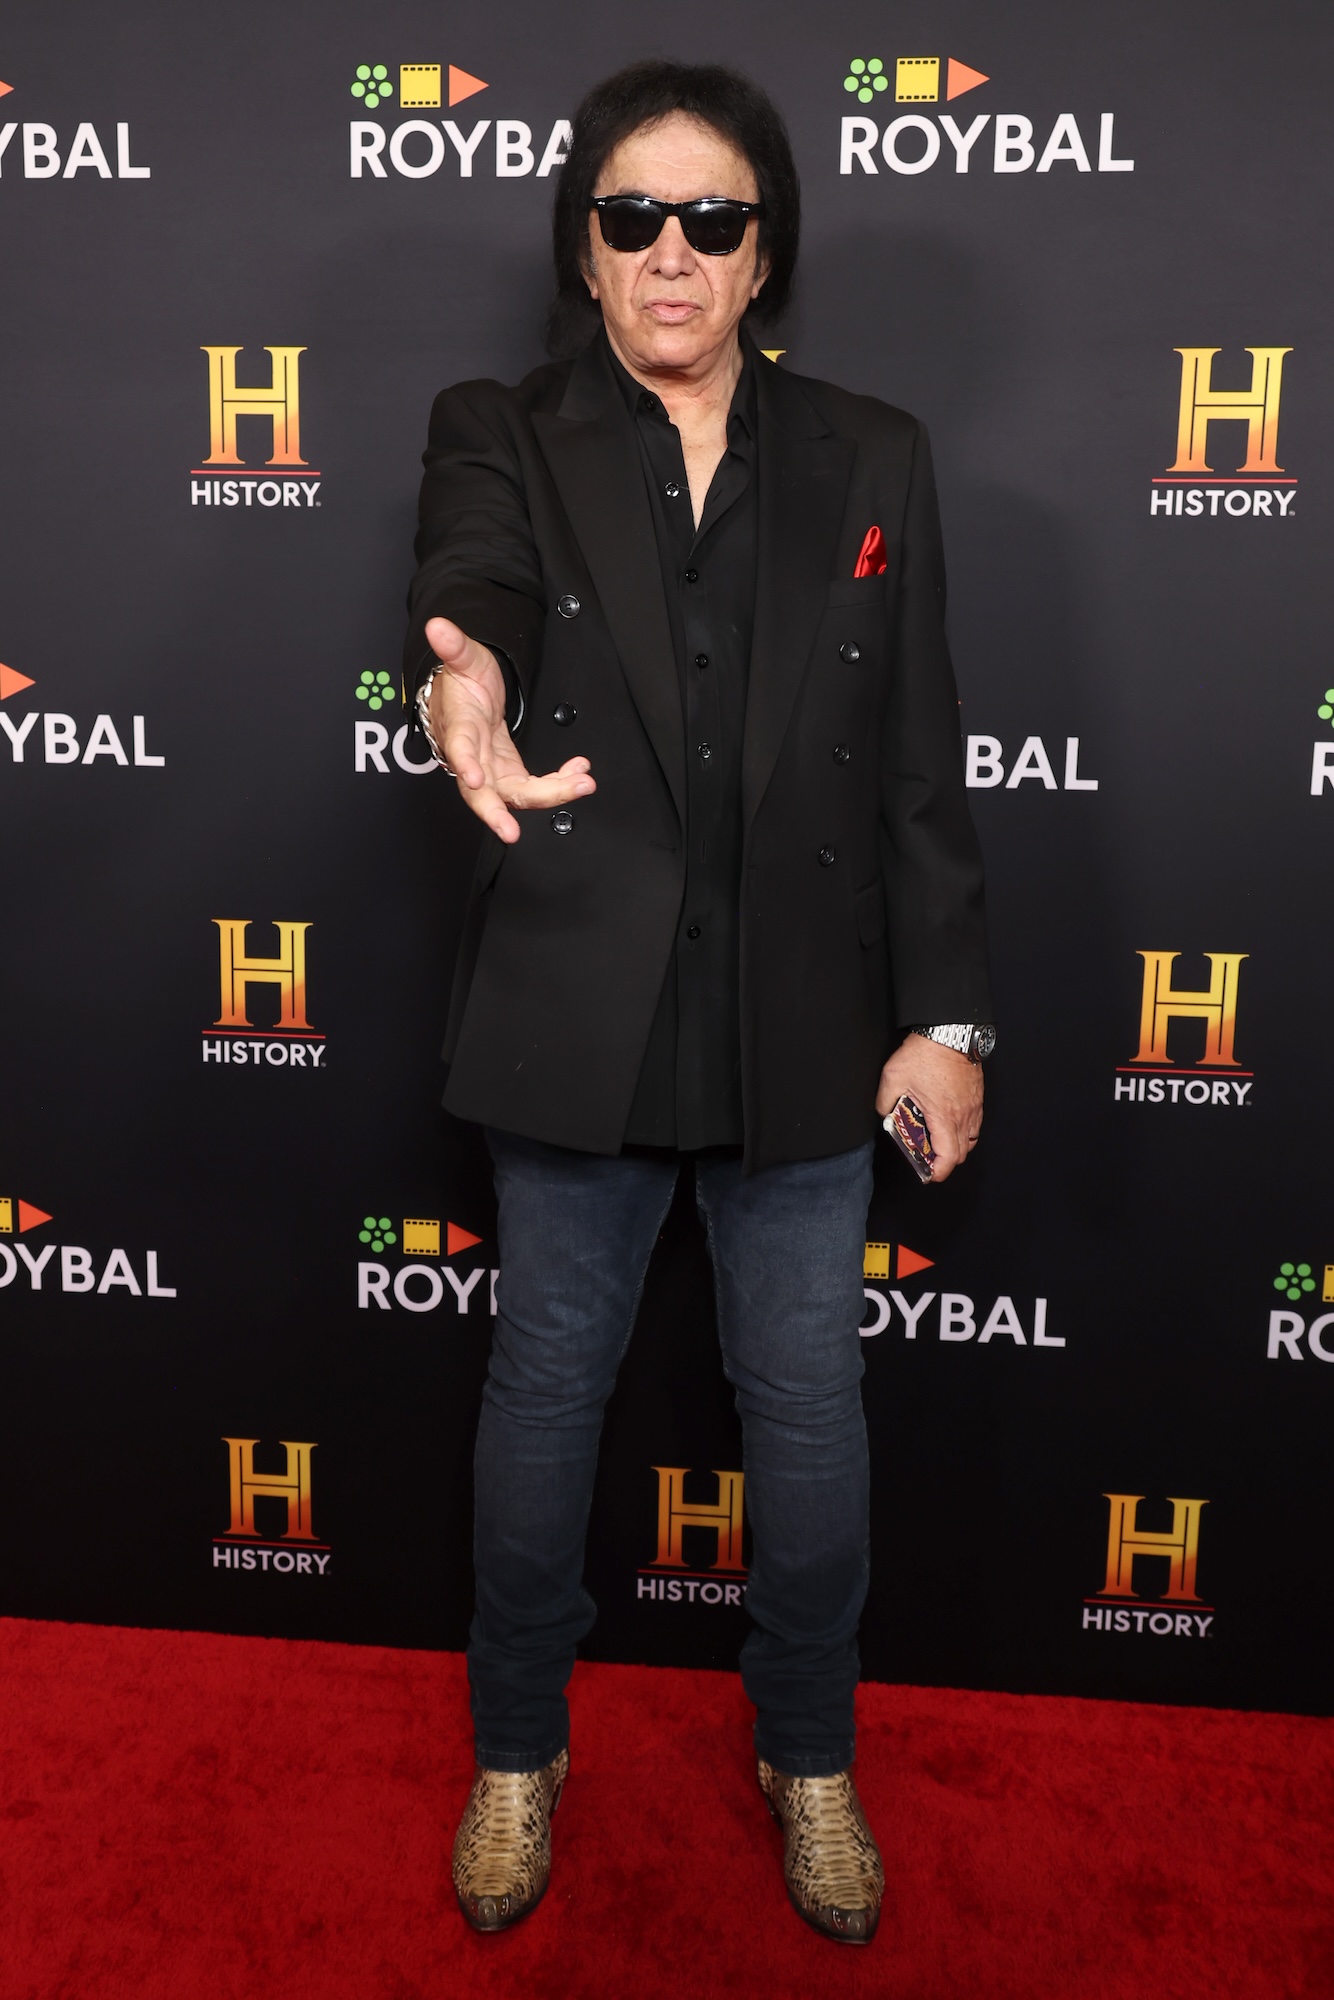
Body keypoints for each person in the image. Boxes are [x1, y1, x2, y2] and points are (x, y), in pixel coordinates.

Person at [404, 58, 993, 1946]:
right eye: (632, 217)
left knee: (806, 1413)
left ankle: (806, 1756)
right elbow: (472, 591)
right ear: (583, 250)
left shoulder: (874, 452)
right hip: (576, 1000)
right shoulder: (497, 427)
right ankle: (517, 1749)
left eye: (712, 219)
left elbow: (921, 764)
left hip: (806, 1020)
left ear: (762, 252)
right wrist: (466, 688)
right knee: (544, 1398)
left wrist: (948, 1019)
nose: (672, 252)